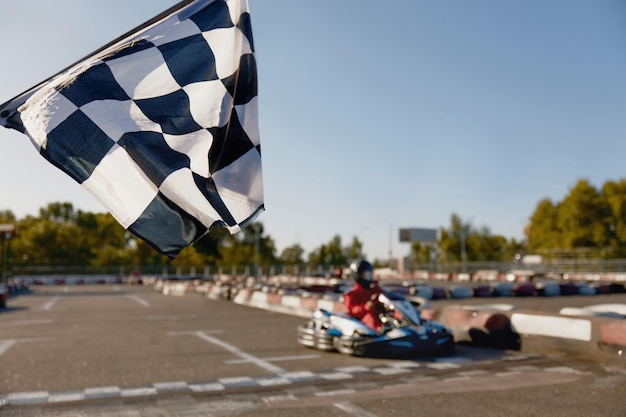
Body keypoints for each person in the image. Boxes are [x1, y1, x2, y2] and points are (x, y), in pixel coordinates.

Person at [343, 260, 386, 330]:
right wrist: (366, 307)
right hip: (362, 322)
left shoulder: (375, 290)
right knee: (369, 317)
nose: (369, 277)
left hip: (379, 317)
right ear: (358, 275)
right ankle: (378, 334)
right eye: (366, 275)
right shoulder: (351, 294)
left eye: (370, 274)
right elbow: (352, 310)